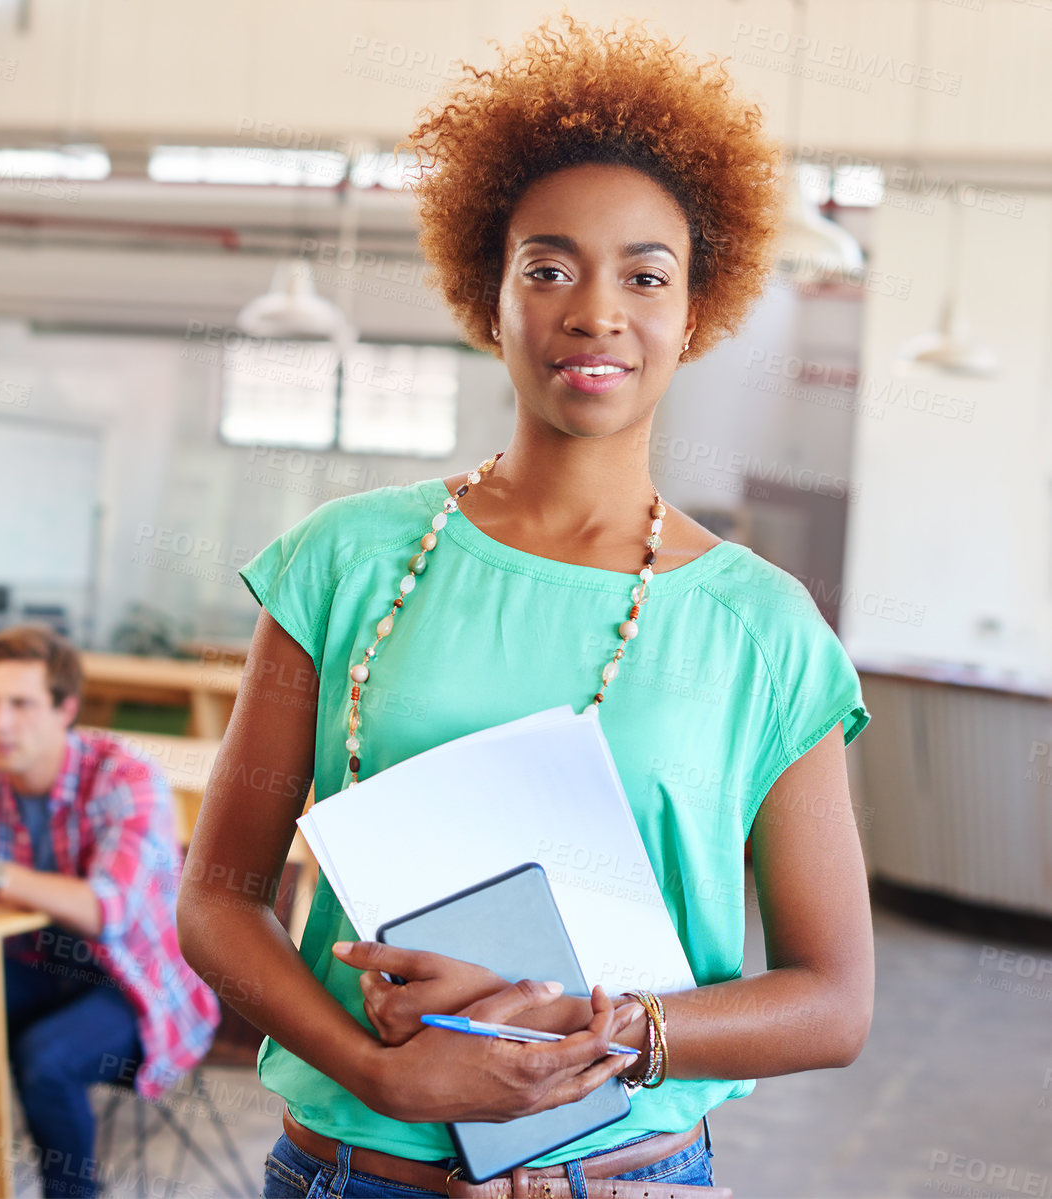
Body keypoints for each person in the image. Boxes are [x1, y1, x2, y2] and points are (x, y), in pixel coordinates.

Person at [178, 17, 875, 1197]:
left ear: (695, 311)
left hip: (630, 1176)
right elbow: (217, 898)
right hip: (352, 1168)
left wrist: (607, 1024)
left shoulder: (763, 629)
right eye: (547, 267)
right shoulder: (344, 562)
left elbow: (832, 998)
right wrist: (372, 1067)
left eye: (644, 275)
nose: (595, 311)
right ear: (484, 294)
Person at [0, 625, 221, 1199]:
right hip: (37, 969)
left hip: (136, 981)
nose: (0, 723)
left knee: (45, 1058)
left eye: (21, 704)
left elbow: (111, 911)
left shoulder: (126, 778)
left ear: (65, 709)